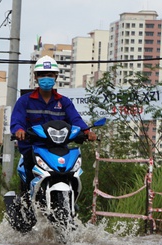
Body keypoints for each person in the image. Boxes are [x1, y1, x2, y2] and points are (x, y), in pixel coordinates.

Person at [10, 55, 97, 192]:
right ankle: (26, 200)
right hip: (33, 149)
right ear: (35, 77)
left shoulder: (64, 102)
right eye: (42, 75)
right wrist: (19, 130)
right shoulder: (24, 101)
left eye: (49, 75)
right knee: (28, 176)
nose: (46, 78)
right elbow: (17, 120)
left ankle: (71, 201)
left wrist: (87, 132)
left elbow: (75, 119)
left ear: (56, 76)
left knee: (71, 173)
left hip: (58, 149)